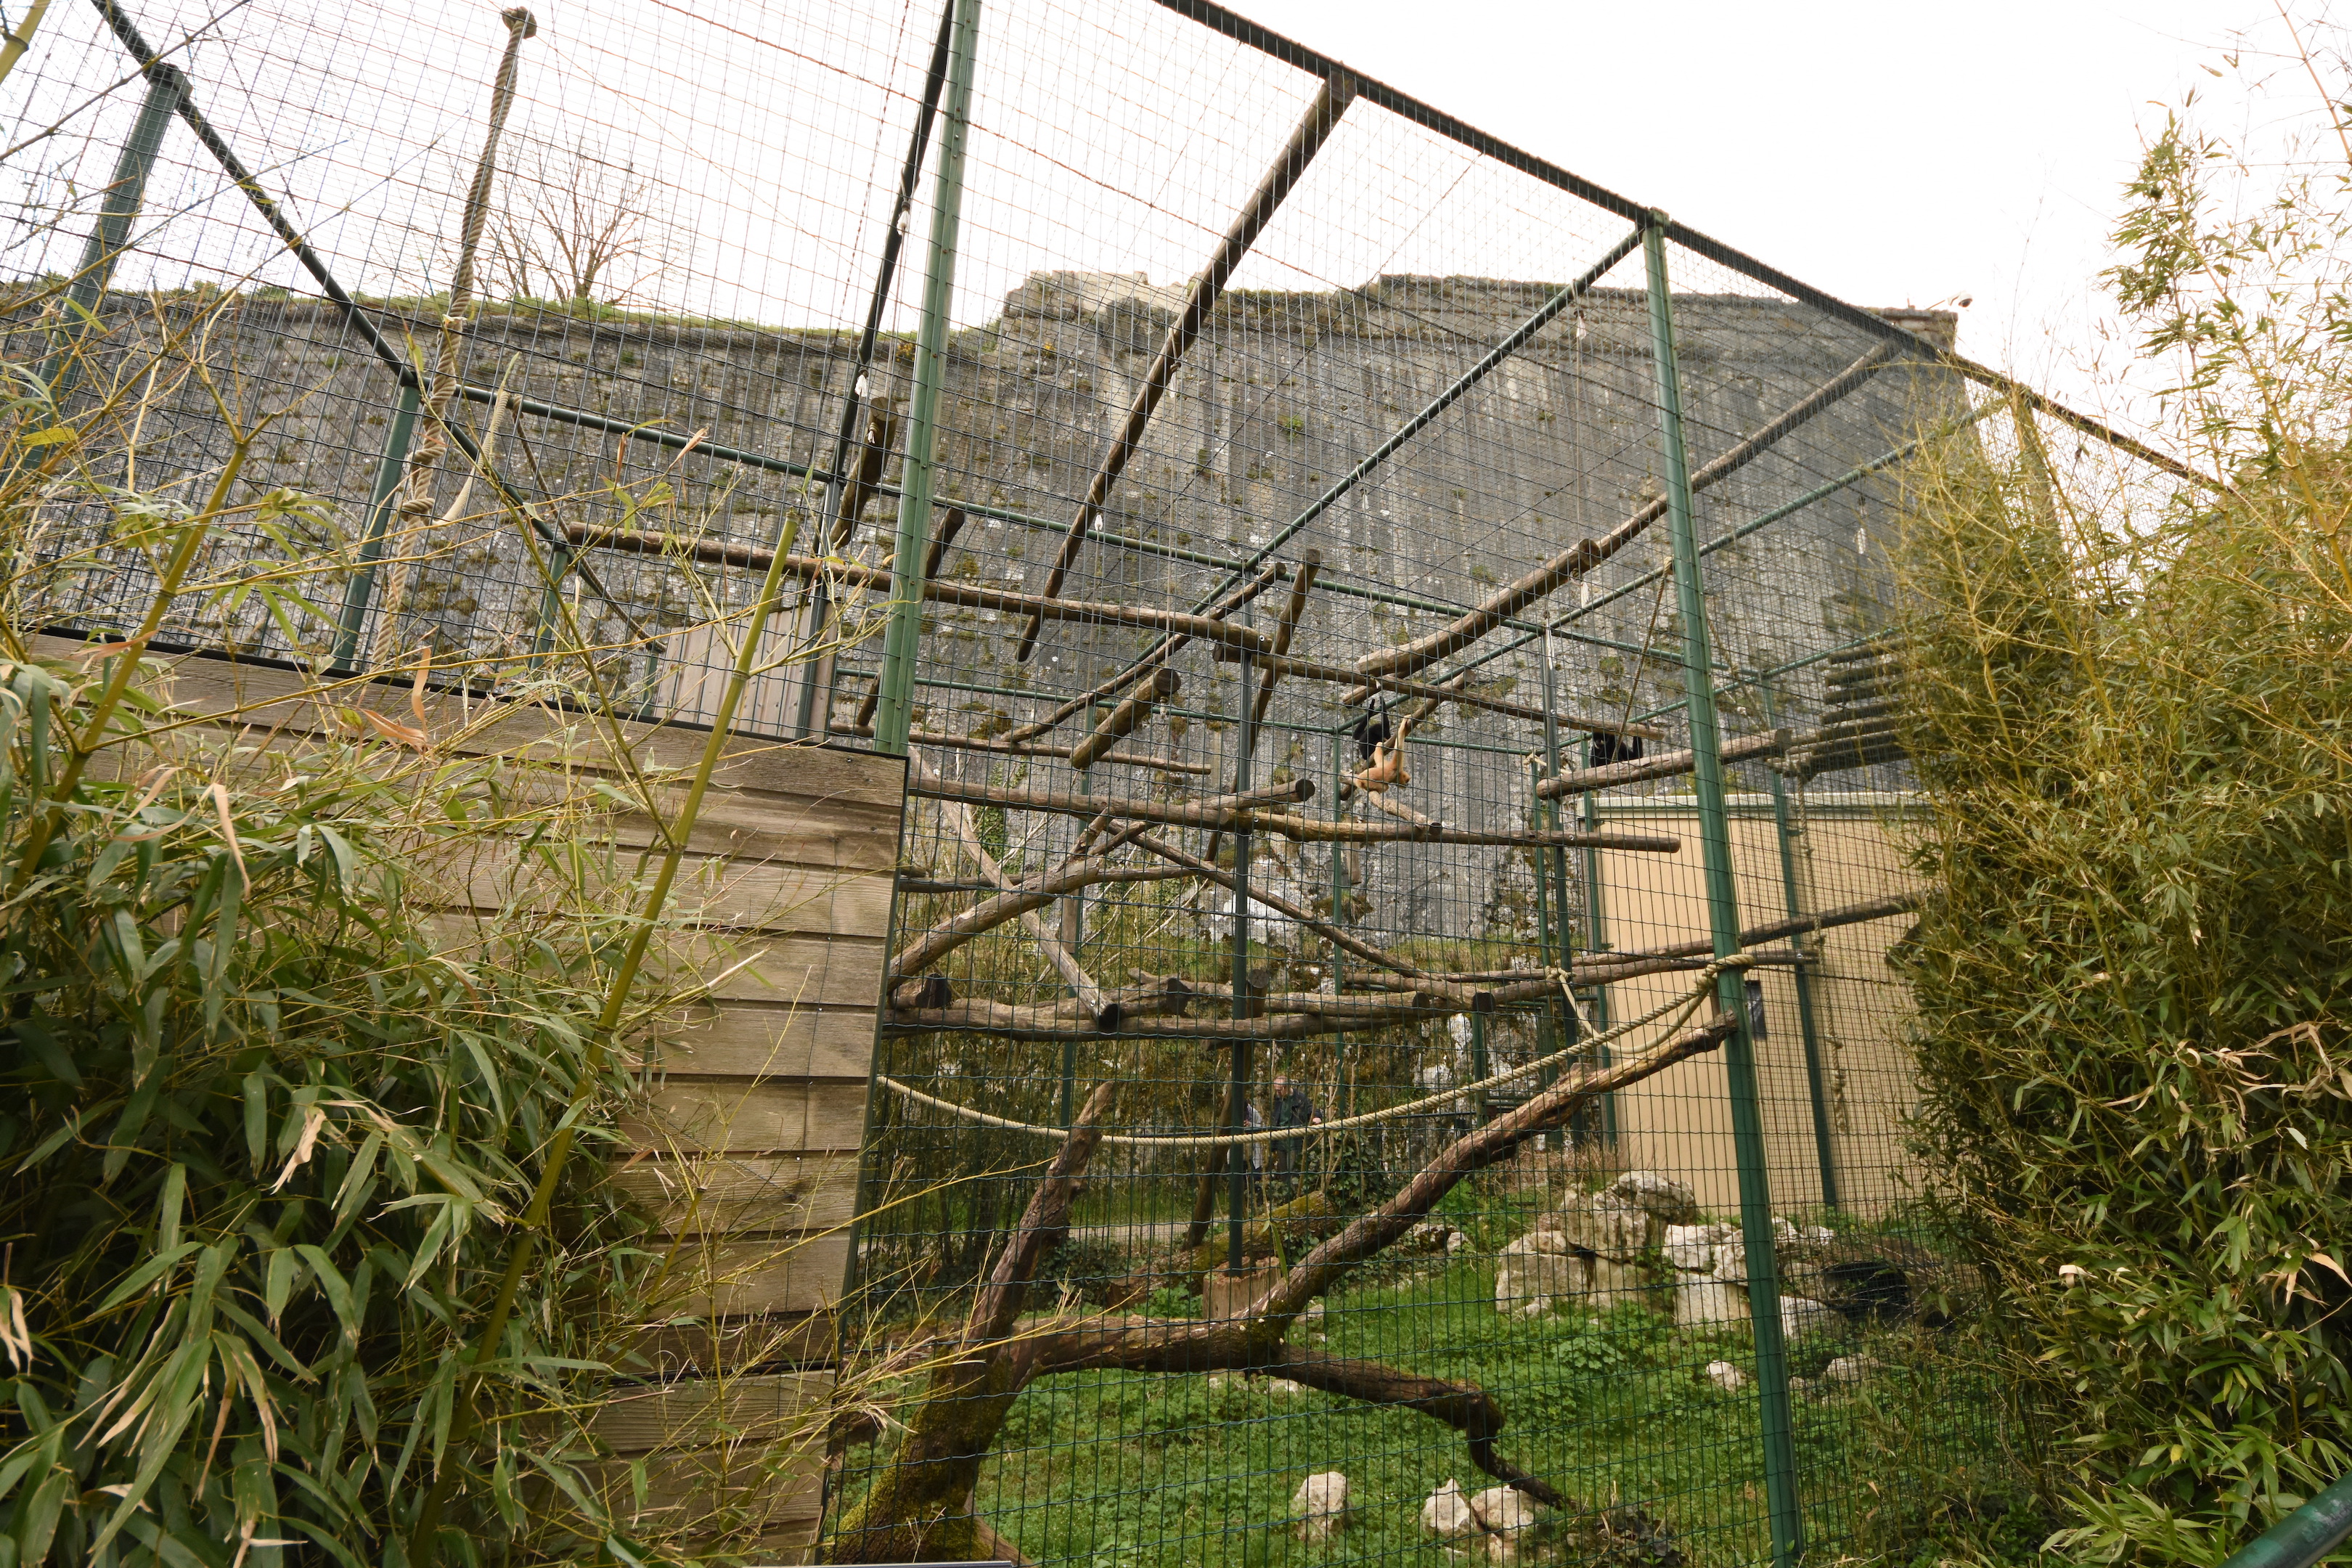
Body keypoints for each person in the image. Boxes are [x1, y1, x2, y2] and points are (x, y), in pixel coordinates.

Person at [1269, 1074, 1321, 1193]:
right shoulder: (1277, 1099)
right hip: (1280, 1140)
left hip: (1294, 1141)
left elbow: (1312, 1109)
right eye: (1275, 1090)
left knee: (1294, 1173)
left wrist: (1317, 1117)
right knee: (1284, 1173)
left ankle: (1295, 1196)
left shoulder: (1300, 1098)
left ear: (1287, 1088)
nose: (1277, 1093)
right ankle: (1286, 1199)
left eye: (1279, 1090)